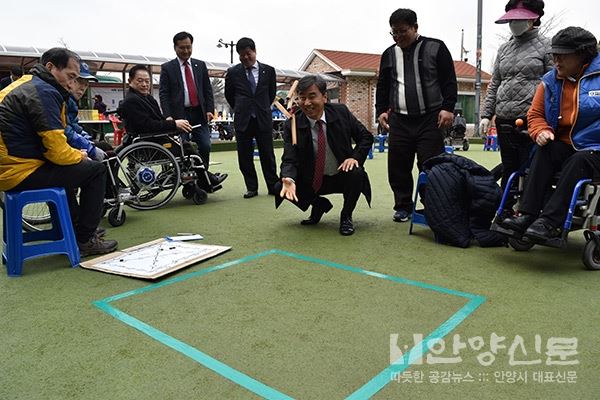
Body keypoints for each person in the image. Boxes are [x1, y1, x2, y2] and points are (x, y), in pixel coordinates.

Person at [0, 48, 117, 256]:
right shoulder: (44, 92)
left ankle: (74, 228)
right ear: (51, 67)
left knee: (68, 171)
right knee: (96, 170)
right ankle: (84, 238)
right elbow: (56, 151)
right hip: (17, 171)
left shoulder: (28, 85)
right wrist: (81, 155)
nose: (72, 83)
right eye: (70, 76)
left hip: (11, 165)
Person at [499, 27, 600, 242]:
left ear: (582, 55)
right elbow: (535, 114)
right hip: (564, 145)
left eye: (562, 56)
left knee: (580, 159)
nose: (556, 61)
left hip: (595, 150)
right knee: (544, 149)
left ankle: (550, 222)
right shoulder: (550, 80)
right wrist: (540, 130)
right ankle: (527, 215)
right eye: (554, 55)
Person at [376, 8, 457, 223]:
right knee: (398, 165)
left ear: (415, 27)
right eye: (394, 33)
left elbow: (449, 81)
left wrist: (448, 108)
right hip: (399, 120)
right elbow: (383, 86)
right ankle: (403, 206)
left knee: (431, 165)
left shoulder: (435, 47)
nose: (398, 37)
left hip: (430, 118)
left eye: (403, 31)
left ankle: (433, 205)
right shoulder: (389, 54)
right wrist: (381, 111)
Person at [276, 75, 373, 236]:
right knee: (281, 186)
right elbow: (289, 158)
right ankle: (319, 204)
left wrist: (354, 157)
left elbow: (366, 137)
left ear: (324, 97)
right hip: (312, 179)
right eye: (302, 98)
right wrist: (288, 178)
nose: (306, 103)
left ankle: (346, 215)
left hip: (341, 176)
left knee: (357, 172)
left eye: (312, 96)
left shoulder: (341, 112)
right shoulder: (292, 124)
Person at [479, 0, 552, 189]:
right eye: (511, 19)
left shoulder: (547, 47)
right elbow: (495, 82)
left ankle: (527, 210)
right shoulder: (504, 49)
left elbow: (553, 84)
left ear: (533, 19)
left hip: (531, 119)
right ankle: (506, 208)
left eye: (519, 19)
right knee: (509, 165)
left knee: (530, 166)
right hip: (504, 118)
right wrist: (487, 115)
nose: (514, 24)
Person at [118, 64, 225, 189]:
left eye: (147, 81)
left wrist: (173, 123)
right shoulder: (132, 101)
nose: (144, 84)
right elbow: (147, 125)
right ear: (130, 81)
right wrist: (174, 124)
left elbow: (157, 120)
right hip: (149, 143)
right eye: (140, 81)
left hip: (152, 140)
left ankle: (201, 179)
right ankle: (205, 181)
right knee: (188, 150)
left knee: (186, 147)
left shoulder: (146, 98)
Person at [225, 37, 279, 198]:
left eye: (248, 53)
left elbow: (271, 94)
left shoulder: (269, 71)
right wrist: (242, 108)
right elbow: (229, 95)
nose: (245, 58)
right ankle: (251, 187)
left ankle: (272, 186)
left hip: (263, 118)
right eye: (242, 55)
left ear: (254, 51)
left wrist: (260, 107)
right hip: (243, 120)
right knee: (244, 155)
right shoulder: (233, 72)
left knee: (267, 154)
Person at [159, 32, 218, 175]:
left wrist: (209, 109)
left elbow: (207, 90)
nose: (186, 51)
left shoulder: (200, 65)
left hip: (199, 113)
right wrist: (167, 116)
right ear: (175, 48)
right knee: (182, 149)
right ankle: (187, 180)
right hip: (179, 116)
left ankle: (203, 177)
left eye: (188, 47)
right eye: (182, 48)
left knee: (205, 146)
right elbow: (164, 94)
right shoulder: (168, 68)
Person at [65, 62, 107, 162]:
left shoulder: (71, 101)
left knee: (105, 146)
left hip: (70, 144)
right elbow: (67, 132)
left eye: (86, 84)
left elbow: (75, 128)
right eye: (79, 81)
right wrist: (90, 148)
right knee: (99, 167)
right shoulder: (63, 100)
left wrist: (89, 140)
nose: (83, 87)